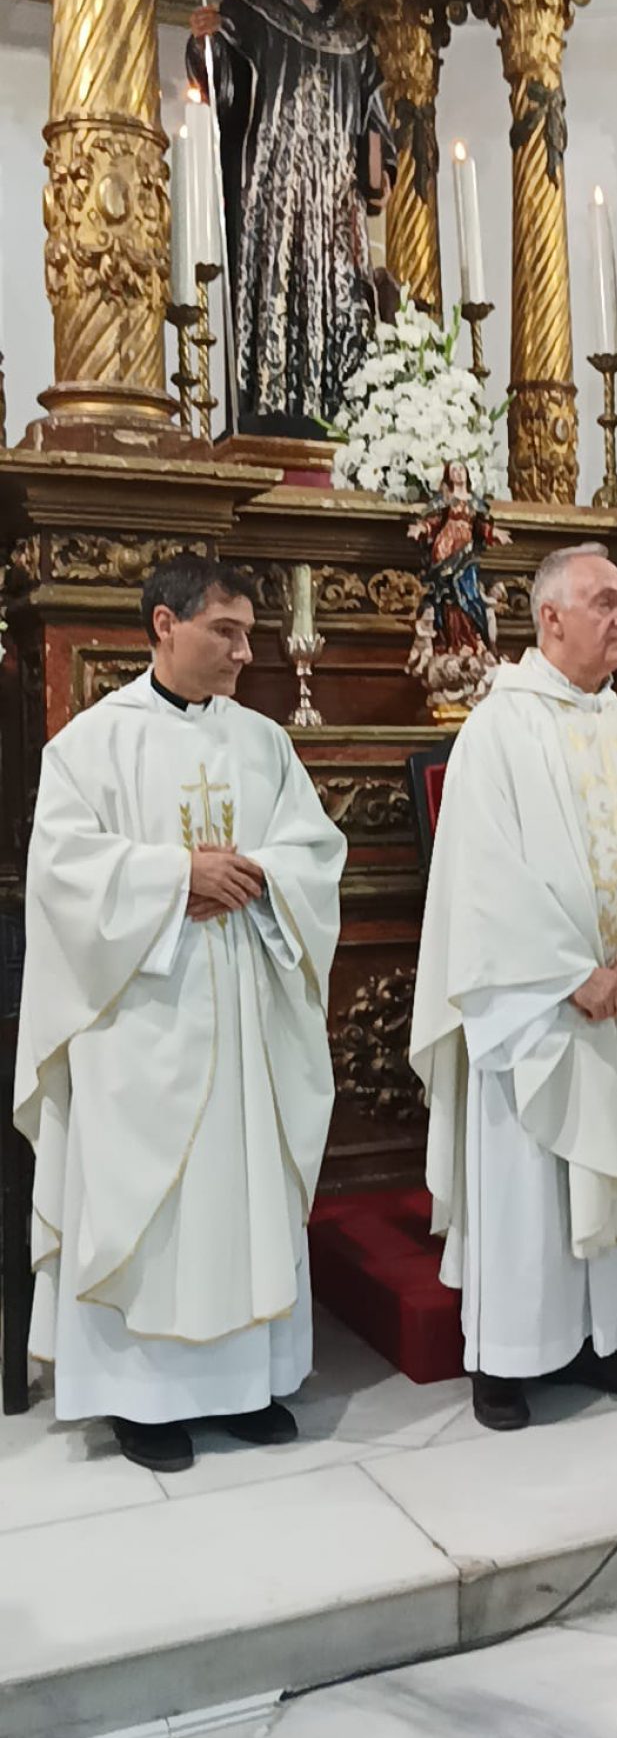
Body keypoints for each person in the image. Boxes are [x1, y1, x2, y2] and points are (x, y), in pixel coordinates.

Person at [15, 553, 347, 1471]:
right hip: (141, 1021)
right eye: (224, 631)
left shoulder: (263, 742)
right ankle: (142, 1399)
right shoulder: (90, 744)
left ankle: (244, 1387)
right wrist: (175, 876)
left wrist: (260, 876)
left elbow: (314, 851)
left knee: (239, 1196)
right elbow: (64, 877)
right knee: (150, 1206)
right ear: (164, 624)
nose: (244, 652)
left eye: (248, 633)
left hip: (244, 1012)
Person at [409, 543, 617, 1431]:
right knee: (530, 1179)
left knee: (615, 1174)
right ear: (550, 619)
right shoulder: (498, 728)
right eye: (604, 601)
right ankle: (509, 1356)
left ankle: (608, 1340)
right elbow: (482, 878)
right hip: (538, 1008)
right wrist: (572, 975)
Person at [188, 0, 397, 434]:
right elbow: (225, 94)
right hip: (272, 207)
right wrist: (205, 47)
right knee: (273, 306)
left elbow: (374, 122)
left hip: (333, 214)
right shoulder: (250, 9)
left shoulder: (353, 40)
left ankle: (335, 417)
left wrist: (379, 165)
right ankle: (267, 412)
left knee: (336, 313)